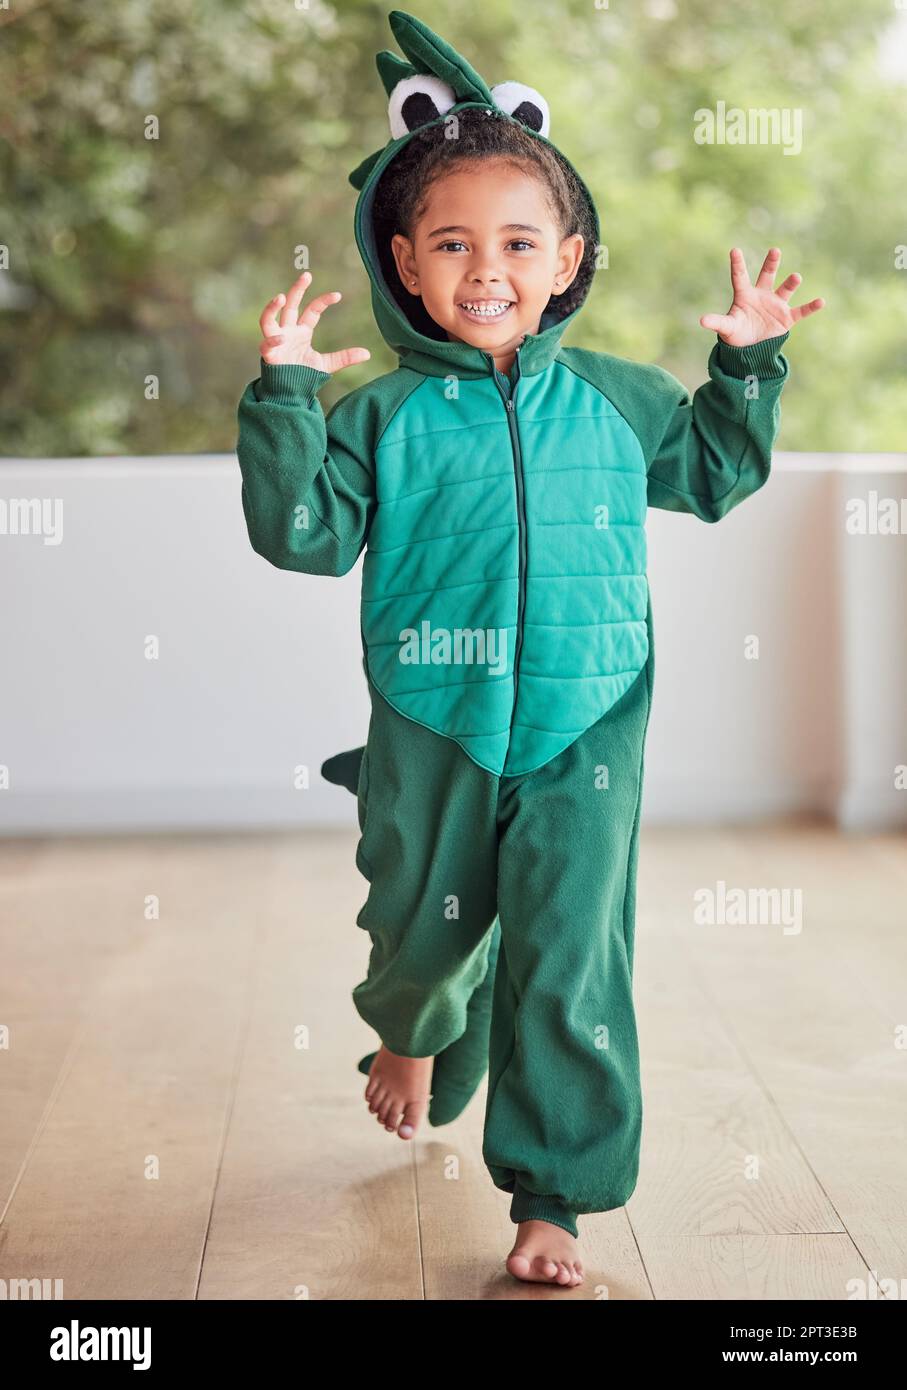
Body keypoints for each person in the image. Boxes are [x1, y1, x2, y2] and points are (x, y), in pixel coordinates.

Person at [236, 10, 824, 1287]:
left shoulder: (617, 399)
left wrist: (746, 368)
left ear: (567, 259)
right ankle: (413, 1030)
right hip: (430, 717)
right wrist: (285, 391)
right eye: (451, 242)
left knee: (568, 956)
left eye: (516, 242)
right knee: (420, 926)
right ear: (402, 259)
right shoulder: (380, 413)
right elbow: (300, 536)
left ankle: (553, 1193)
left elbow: (716, 473)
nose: (485, 266)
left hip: (587, 728)